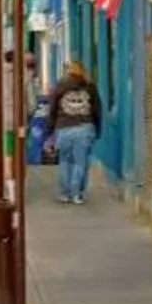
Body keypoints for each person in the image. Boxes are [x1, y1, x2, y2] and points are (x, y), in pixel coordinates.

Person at [48, 63, 102, 203]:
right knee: (80, 162)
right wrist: (97, 127)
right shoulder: (90, 87)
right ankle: (77, 193)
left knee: (64, 161)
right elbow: (96, 109)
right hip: (85, 127)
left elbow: (52, 108)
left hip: (64, 127)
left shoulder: (60, 86)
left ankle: (65, 193)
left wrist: (49, 130)